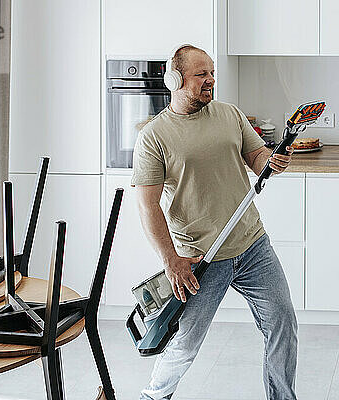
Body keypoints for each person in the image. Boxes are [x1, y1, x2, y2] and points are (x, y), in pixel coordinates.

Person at [131, 44, 298, 400]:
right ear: (175, 79)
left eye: (212, 73)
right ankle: (153, 397)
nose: (210, 80)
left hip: (252, 244)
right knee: (185, 343)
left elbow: (257, 158)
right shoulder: (154, 137)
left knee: (282, 323)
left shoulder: (229, 115)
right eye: (201, 74)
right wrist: (171, 261)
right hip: (201, 258)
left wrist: (274, 159)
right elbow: (148, 207)